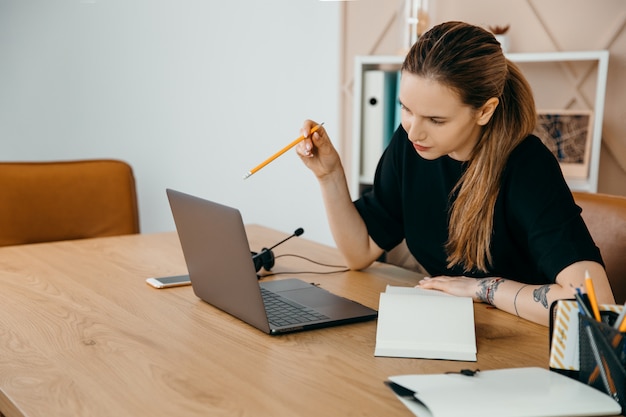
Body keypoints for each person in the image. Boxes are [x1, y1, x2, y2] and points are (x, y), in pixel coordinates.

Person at [296, 21, 614, 326]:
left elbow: (593, 308)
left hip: (523, 343)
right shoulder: (412, 146)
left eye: (436, 120)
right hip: (449, 326)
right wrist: (329, 175)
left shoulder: (527, 166)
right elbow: (360, 250)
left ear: (484, 110)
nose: (413, 132)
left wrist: (483, 288)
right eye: (405, 109)